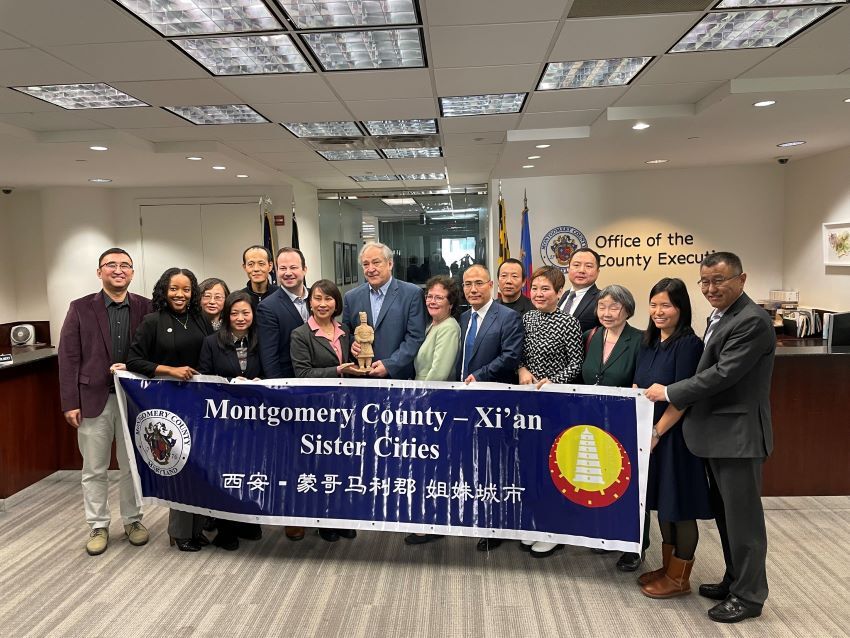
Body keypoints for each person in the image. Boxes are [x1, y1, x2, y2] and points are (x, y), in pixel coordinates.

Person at [645, 252, 775, 624]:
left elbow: (722, 374)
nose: (711, 288)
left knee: (744, 521)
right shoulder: (721, 316)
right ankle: (734, 580)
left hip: (738, 436)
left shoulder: (752, 321)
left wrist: (670, 392)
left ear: (742, 279)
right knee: (725, 517)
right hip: (715, 436)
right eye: (705, 281)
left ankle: (749, 597)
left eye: (719, 280)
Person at [58, 248, 152, 556]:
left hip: (134, 401)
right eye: (111, 265)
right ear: (100, 272)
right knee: (94, 468)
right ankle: (97, 525)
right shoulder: (80, 308)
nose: (118, 270)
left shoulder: (146, 308)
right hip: (92, 401)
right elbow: (68, 358)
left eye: (125, 265)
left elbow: (153, 354)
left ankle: (133, 521)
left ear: (132, 273)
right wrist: (70, 402)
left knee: (131, 466)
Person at [635, 278, 712, 599]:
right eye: (653, 304)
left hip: (674, 437)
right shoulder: (650, 342)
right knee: (661, 503)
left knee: (679, 505)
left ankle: (680, 577)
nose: (658, 311)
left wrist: (656, 432)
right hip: (649, 435)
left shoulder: (689, 345)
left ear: (681, 308)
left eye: (666, 305)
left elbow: (683, 397)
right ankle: (668, 567)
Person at [126, 267, 213, 552]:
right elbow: (134, 361)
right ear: (165, 290)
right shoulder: (152, 321)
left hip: (199, 403)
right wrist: (169, 371)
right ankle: (179, 532)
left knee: (202, 468)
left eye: (186, 289)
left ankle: (197, 529)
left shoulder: (200, 319)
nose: (180, 294)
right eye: (174, 288)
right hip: (169, 405)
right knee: (181, 469)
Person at [516, 265, 583, 558]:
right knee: (531, 466)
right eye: (536, 288)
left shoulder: (569, 322)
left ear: (558, 293)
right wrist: (522, 370)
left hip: (556, 403)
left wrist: (553, 382)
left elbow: (576, 363)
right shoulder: (526, 318)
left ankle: (554, 530)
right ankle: (535, 523)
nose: (540, 294)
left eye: (547, 289)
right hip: (527, 401)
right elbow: (518, 354)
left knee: (553, 466)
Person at [456, 264, 523, 552]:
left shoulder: (508, 317)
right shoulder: (462, 318)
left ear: (491, 285)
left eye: (478, 283)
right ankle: (477, 518)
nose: (472, 289)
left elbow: (510, 357)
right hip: (465, 400)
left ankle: (498, 526)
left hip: (494, 402)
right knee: (473, 463)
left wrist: (480, 376)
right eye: (468, 284)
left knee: (496, 466)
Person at [579, 284, 644, 571]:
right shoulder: (589, 336)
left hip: (625, 422)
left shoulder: (641, 340)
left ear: (627, 310)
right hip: (592, 420)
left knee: (628, 484)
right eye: (602, 307)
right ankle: (604, 534)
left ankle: (634, 546)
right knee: (599, 482)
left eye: (614, 307)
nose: (606, 313)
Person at [290, 279, 358, 543]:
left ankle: (344, 517)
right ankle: (324, 520)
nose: (322, 304)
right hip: (317, 410)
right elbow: (303, 373)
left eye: (328, 299)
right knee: (321, 467)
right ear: (310, 302)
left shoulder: (346, 331)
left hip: (346, 408)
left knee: (345, 464)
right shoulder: (300, 334)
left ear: (336, 303)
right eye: (317, 298)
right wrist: (338, 370)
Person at [197, 290, 265, 551]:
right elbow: (203, 378)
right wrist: (228, 385)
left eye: (245, 313)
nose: (240, 318)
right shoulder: (212, 342)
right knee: (227, 475)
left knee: (253, 472)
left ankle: (248, 522)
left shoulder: (262, 340)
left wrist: (263, 382)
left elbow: (273, 371)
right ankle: (226, 529)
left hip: (256, 419)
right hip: (224, 420)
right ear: (226, 315)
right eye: (234, 313)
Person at [256, 246, 310, 541]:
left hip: (321, 391)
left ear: (305, 269)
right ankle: (293, 515)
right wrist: (280, 392)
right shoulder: (269, 306)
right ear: (276, 271)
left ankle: (327, 516)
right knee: (291, 458)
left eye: (294, 267)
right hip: (288, 392)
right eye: (283, 268)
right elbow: (269, 357)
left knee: (321, 455)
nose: (288, 273)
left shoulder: (320, 298)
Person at [405, 275, 461, 546]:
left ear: (451, 303)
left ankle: (432, 524)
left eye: (440, 297)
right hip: (423, 403)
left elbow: (438, 373)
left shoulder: (448, 327)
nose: (432, 300)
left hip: (433, 405)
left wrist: (417, 400)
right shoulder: (432, 325)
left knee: (433, 468)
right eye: (429, 295)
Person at [341, 242, 426, 380]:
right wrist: (352, 344)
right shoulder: (351, 297)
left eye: (376, 262)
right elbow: (347, 333)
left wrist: (390, 365)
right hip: (363, 377)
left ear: (390, 264)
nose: (371, 269)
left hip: (398, 378)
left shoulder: (412, 294)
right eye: (366, 264)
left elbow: (415, 337)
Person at [558, 248, 602, 333]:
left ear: (597, 271)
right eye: (576, 265)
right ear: (568, 268)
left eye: (588, 266)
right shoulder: (564, 295)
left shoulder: (602, 298)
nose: (581, 270)